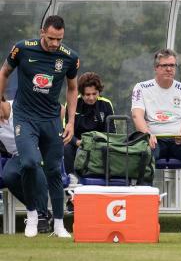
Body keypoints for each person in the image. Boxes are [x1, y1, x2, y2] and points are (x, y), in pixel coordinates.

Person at [0, 15, 79, 238]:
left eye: (59, 39)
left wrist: (71, 121)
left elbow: (72, 89)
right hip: (25, 117)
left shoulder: (69, 57)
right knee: (29, 162)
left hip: (51, 119)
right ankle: (33, 214)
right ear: (42, 31)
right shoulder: (22, 49)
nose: (55, 43)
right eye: (52, 38)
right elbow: (4, 72)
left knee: (53, 170)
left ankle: (59, 225)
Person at [131, 48, 181, 207]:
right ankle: (144, 201)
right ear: (156, 68)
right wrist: (148, 134)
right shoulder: (142, 88)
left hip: (179, 141)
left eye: (172, 65)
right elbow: (137, 115)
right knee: (145, 151)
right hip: (154, 139)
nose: (169, 69)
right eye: (164, 65)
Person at [0, 98, 51, 233]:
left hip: (37, 149)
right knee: (8, 176)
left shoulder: (20, 105)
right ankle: (35, 210)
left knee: (33, 163)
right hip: (17, 156)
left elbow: (61, 110)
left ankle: (42, 216)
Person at [64, 72, 115, 175]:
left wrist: (98, 143)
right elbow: (65, 132)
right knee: (66, 147)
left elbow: (111, 131)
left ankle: (107, 178)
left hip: (100, 144)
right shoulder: (72, 104)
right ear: (81, 93)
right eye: (87, 94)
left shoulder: (106, 104)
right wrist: (77, 142)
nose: (91, 98)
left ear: (99, 92)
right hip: (78, 143)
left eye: (94, 94)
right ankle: (71, 178)